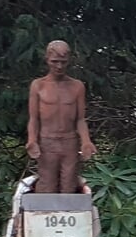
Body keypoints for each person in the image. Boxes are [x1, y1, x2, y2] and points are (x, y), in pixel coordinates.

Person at [26, 40, 96, 193]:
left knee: (69, 185)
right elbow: (34, 119)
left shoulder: (77, 86)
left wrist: (86, 141)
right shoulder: (38, 85)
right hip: (47, 143)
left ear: (68, 61)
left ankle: (69, 215)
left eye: (63, 62)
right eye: (55, 62)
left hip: (69, 143)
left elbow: (80, 119)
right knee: (47, 185)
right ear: (47, 60)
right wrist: (32, 140)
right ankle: (42, 215)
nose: (59, 66)